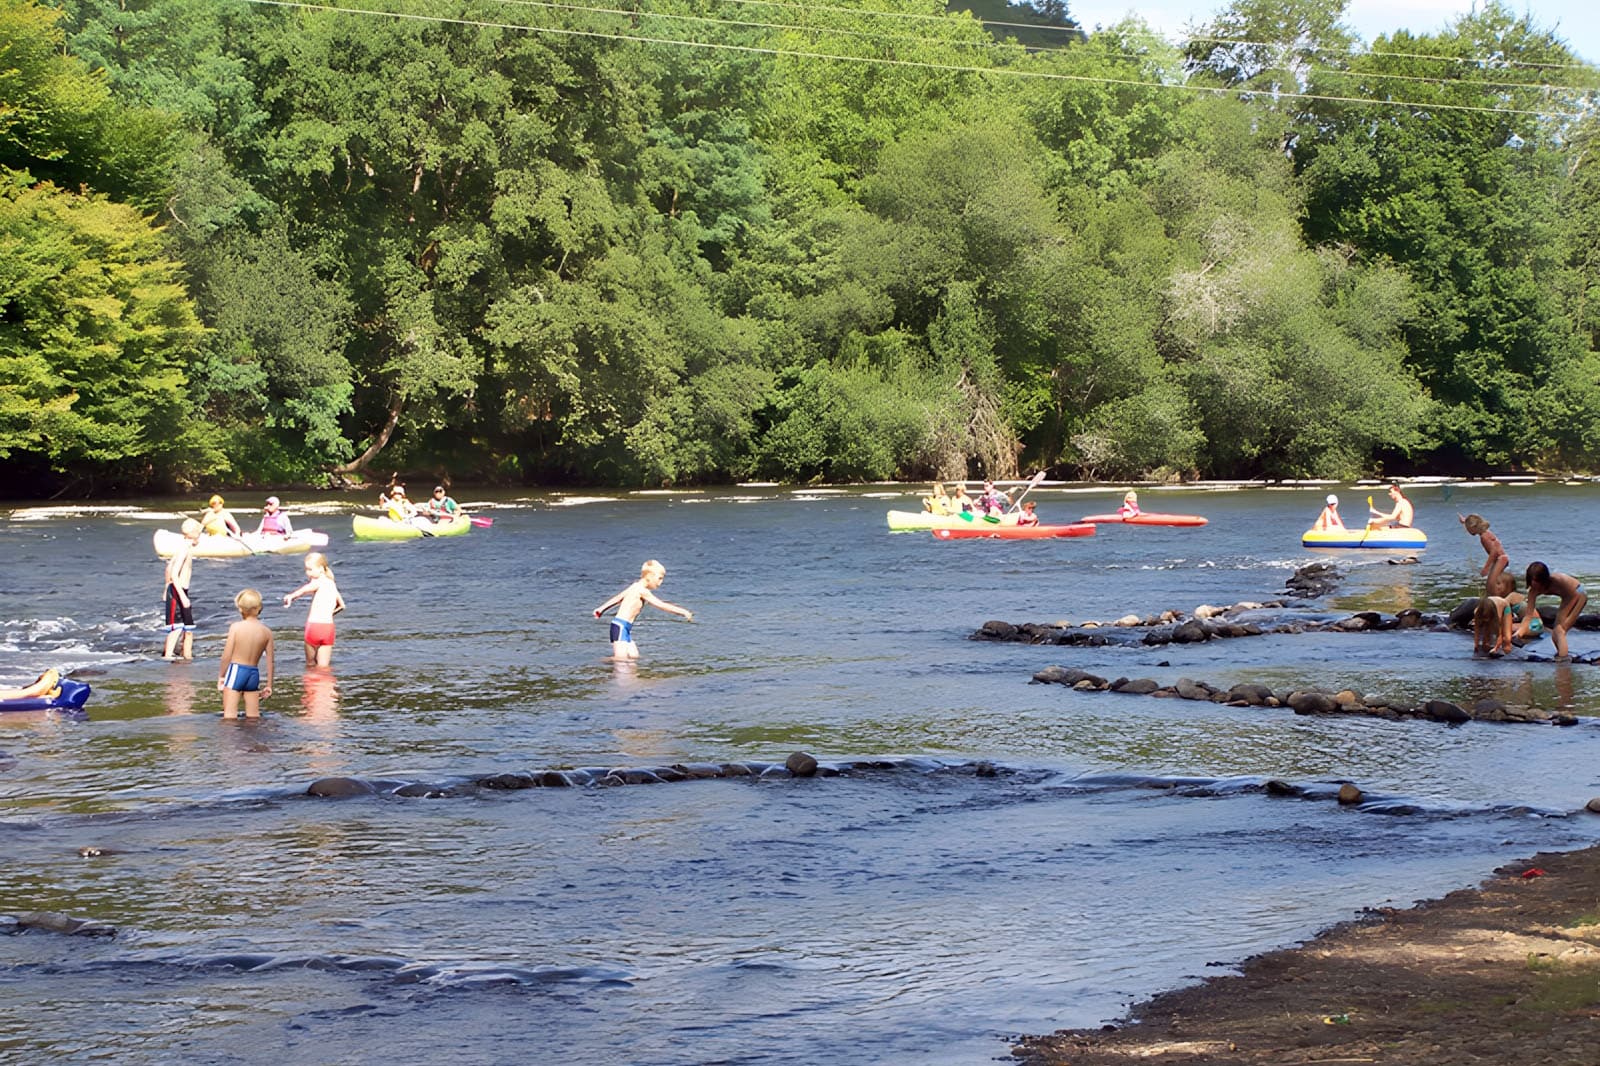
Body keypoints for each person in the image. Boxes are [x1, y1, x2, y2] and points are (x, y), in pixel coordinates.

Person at [592, 559, 693, 660]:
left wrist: (601, 609)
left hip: (625, 627)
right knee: (620, 660)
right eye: (660, 578)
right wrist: (682, 611)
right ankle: (597, 664)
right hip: (620, 626)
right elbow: (661, 605)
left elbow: (618, 598)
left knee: (634, 657)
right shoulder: (642, 591)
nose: (661, 582)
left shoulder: (635, 586)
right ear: (649, 576)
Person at [217, 588, 274, 718]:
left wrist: (221, 676)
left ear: (240, 609)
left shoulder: (236, 628)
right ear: (259, 608)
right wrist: (269, 685)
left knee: (229, 716)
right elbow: (270, 661)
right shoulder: (266, 632)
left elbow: (226, 655)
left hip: (237, 670)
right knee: (254, 716)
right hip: (253, 673)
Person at [283, 552, 345, 667]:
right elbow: (342, 606)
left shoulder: (318, 582)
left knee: (310, 664)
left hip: (314, 627)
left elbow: (305, 589)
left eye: (310, 569)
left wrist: (291, 596)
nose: (307, 573)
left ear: (321, 569)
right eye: (306, 569)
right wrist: (331, 614)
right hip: (328, 628)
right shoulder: (332, 583)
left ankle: (311, 684)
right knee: (323, 668)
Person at [1519, 562, 1586, 660]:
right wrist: (1519, 633)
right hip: (1567, 597)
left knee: (1559, 631)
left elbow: (1575, 596)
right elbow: (1529, 615)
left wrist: (1567, 620)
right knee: (1555, 633)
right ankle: (1561, 653)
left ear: (1544, 580)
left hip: (1578, 594)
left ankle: (1563, 660)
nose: (1536, 587)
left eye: (1538, 584)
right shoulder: (1533, 590)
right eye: (1533, 583)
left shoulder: (1559, 581)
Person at [162, 519, 202, 661]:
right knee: (177, 628)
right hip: (178, 592)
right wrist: (181, 596)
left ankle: (188, 656)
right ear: (194, 534)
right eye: (200, 534)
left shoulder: (185, 548)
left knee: (189, 628)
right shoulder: (184, 549)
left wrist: (166, 586)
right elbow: (173, 572)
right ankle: (167, 656)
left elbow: (168, 566)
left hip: (180, 590)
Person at [1459, 513, 1507, 592]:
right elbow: (1473, 522)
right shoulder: (1485, 532)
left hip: (1501, 559)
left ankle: (1499, 599)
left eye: (1468, 529)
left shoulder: (1484, 537)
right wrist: (1464, 521)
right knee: (1494, 582)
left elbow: (1494, 552)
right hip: (1500, 559)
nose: (1467, 531)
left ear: (1473, 527)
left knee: (1491, 584)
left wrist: (1486, 568)